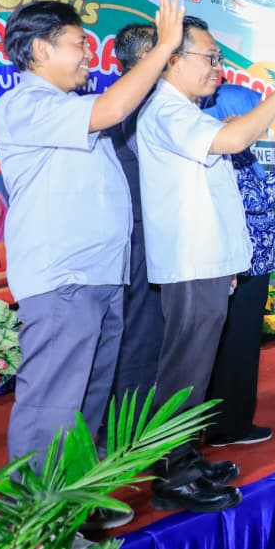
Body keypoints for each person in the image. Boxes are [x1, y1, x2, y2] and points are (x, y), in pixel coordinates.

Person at [0, 0, 181, 528]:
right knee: (53, 403)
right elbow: (114, 107)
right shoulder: (26, 104)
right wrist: (164, 46)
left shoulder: (68, 108)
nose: (88, 55)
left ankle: (73, 504)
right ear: (39, 50)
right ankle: (37, 523)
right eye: (79, 43)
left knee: (87, 401)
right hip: (64, 277)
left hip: (100, 276)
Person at [138, 13, 275, 512]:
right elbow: (233, 141)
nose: (218, 67)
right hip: (190, 262)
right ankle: (173, 475)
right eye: (209, 57)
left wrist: (231, 259)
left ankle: (187, 457)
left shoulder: (188, 111)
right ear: (173, 60)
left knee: (197, 370)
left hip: (208, 261)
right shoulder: (166, 109)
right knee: (184, 371)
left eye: (218, 58)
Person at [200, 83, 275, 447]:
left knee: (238, 345)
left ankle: (228, 421)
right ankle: (228, 427)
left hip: (250, 262)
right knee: (237, 347)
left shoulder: (237, 151)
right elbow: (258, 198)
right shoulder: (222, 152)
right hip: (241, 264)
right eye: (250, 113)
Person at [105, 23, 167, 412]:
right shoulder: (136, 102)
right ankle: (131, 423)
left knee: (135, 325)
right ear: (148, 57)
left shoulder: (124, 97)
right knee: (141, 328)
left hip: (136, 226)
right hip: (140, 228)